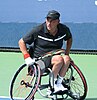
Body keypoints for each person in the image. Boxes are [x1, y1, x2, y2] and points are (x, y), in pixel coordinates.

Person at [18, 10, 72, 94]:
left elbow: (69, 39)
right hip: (40, 59)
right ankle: (52, 86)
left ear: (58, 21)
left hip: (55, 56)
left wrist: (67, 53)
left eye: (52, 21)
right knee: (59, 59)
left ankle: (58, 83)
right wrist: (27, 57)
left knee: (67, 59)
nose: (49, 23)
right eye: (48, 20)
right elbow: (21, 42)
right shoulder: (38, 30)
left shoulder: (63, 29)